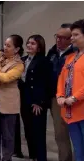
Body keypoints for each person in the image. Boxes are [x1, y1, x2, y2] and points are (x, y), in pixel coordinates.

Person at [18, 35, 51, 161]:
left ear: (39, 47)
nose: (29, 45)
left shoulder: (43, 61)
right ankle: (33, 156)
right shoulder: (22, 59)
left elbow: (44, 83)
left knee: (38, 131)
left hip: (37, 101)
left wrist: (39, 102)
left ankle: (41, 158)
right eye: (28, 43)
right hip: (24, 99)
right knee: (28, 130)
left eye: (33, 43)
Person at [46, 23, 75, 161]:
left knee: (78, 133)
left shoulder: (77, 53)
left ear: (71, 39)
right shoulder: (52, 53)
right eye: (57, 37)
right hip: (56, 98)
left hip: (75, 98)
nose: (58, 40)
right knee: (60, 134)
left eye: (63, 38)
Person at [56, 19, 84, 161]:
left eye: (76, 35)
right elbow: (61, 78)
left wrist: (74, 98)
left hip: (81, 108)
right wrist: (60, 96)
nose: (71, 38)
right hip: (70, 112)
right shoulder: (70, 58)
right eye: (71, 35)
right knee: (78, 149)